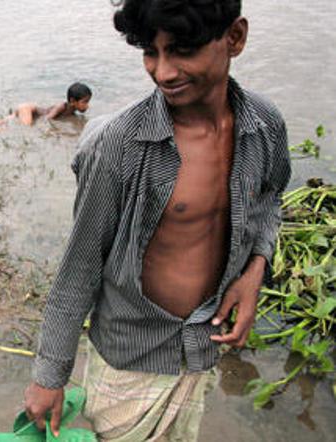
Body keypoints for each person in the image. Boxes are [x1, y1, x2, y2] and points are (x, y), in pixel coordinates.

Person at [23, 1, 291, 440]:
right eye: (151, 51)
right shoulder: (115, 147)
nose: (163, 72)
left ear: (235, 38)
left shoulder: (265, 126)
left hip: (203, 347)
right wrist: (49, 376)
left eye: (182, 50)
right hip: (129, 360)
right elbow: (79, 269)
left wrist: (255, 270)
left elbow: (269, 199)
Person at [0, 82, 92, 140]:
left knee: (1, 122)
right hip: (28, 109)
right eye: (85, 102)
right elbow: (47, 119)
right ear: (73, 101)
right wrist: (56, 132)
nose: (87, 106)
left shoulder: (72, 112)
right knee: (24, 130)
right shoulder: (62, 106)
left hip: (25, 109)